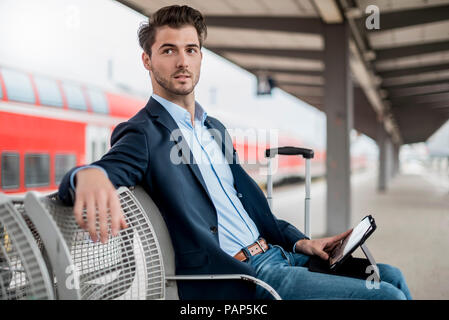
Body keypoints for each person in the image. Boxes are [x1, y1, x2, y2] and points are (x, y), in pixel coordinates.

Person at [58, 5, 412, 300]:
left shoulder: (215, 130)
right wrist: (86, 175)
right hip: (242, 276)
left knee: (390, 276)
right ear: (147, 60)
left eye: (191, 49)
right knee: (388, 297)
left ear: (200, 57)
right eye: (168, 50)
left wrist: (302, 242)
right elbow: (104, 170)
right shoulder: (144, 132)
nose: (182, 61)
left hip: (280, 255)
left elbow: (249, 209)